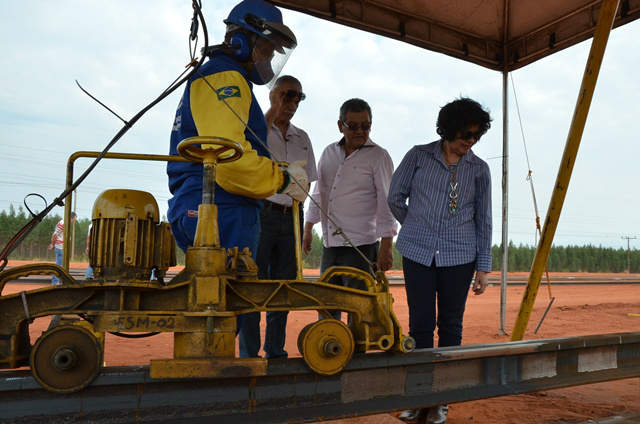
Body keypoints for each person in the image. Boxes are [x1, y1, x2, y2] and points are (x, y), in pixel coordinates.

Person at [166, 0, 307, 334]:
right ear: (243, 41)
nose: (269, 60)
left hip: (202, 203)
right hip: (222, 208)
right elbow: (227, 160)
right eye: (268, 50)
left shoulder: (215, 75)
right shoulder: (225, 77)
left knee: (214, 310)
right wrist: (282, 178)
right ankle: (220, 379)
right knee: (222, 318)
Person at [388, 97, 493, 424]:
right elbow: (395, 198)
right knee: (420, 326)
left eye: (476, 135)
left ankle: (441, 402)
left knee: (451, 326)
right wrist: (417, 225)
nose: (470, 141)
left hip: (460, 257)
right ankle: (418, 397)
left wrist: (483, 267)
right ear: (448, 129)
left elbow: (484, 220)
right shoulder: (418, 156)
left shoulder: (479, 169)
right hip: (417, 253)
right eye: (465, 133)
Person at [239, 75, 317, 359]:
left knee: (283, 287)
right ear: (273, 95)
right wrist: (271, 109)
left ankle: (275, 352)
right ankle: (249, 354)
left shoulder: (303, 138)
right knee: (252, 286)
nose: (292, 102)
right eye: (287, 95)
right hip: (261, 214)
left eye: (298, 97)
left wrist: (306, 225)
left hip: (291, 217)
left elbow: (307, 184)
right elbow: (247, 146)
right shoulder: (255, 127)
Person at [303, 98, 397, 320]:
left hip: (361, 248)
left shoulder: (379, 156)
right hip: (329, 245)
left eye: (365, 126)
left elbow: (387, 202)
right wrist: (308, 227)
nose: (360, 131)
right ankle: (330, 349)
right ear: (340, 125)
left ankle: (360, 353)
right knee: (326, 305)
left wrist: (387, 246)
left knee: (360, 309)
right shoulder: (328, 153)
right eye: (353, 126)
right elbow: (319, 193)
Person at [48, 212, 77, 285]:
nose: (73, 221)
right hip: (60, 247)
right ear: (71, 218)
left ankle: (58, 281)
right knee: (59, 265)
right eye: (73, 219)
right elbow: (54, 235)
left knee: (61, 265)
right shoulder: (63, 224)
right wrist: (52, 244)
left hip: (62, 246)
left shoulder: (63, 223)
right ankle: (55, 282)